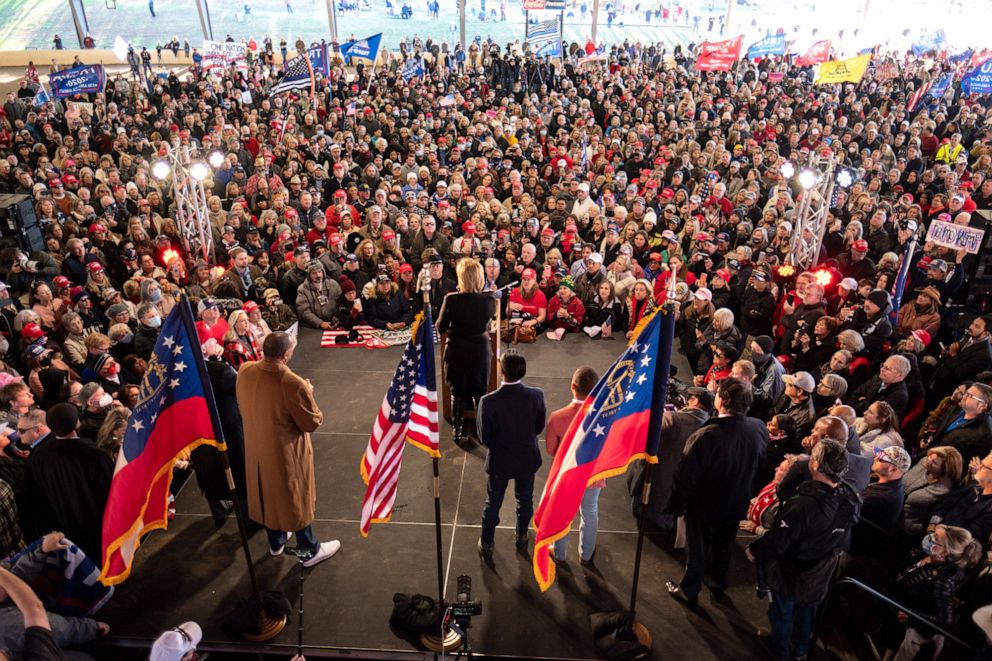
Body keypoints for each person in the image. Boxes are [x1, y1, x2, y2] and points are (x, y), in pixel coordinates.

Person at [745, 440, 861, 661]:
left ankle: (779, 650)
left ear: (815, 465)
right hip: (823, 564)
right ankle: (800, 648)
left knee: (782, 611)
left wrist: (755, 550)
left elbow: (779, 539)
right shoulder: (850, 496)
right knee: (808, 609)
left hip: (793, 568)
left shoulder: (803, 505)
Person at [235, 332, 340, 566]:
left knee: (267, 494)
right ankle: (309, 550)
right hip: (285, 453)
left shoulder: (246, 370)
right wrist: (308, 392)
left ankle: (276, 542)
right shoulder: (292, 382)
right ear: (286, 354)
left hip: (255, 447)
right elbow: (311, 422)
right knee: (295, 499)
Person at [667, 378, 768, 608]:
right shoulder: (758, 427)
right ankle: (717, 584)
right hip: (737, 501)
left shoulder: (707, 435)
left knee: (697, 549)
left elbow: (686, 476)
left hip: (704, 505)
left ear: (722, 401)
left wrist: (676, 503)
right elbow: (761, 462)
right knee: (724, 545)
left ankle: (688, 590)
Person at [477, 353, 547, 564]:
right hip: (527, 457)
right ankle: (522, 537)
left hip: (500, 460)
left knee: (493, 503)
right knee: (525, 500)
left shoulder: (488, 401)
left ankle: (487, 544)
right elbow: (538, 426)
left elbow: (483, 437)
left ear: (502, 371)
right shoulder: (536, 395)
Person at [628, 386, 713, 530]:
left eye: (692, 399)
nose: (688, 401)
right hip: (683, 485)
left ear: (697, 403)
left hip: (657, 475)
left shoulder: (673, 418)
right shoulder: (709, 427)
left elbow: (647, 431)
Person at [436, 258, 496, 443]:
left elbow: (440, 326)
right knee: (480, 391)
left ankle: (457, 431)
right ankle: (482, 430)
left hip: (458, 350)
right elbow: (487, 322)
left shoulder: (452, 299)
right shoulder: (489, 298)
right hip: (480, 350)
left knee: (458, 392)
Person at [546, 366, 600, 565]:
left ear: (572, 386)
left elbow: (551, 450)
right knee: (590, 511)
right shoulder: (603, 417)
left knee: (562, 513)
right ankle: (586, 556)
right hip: (592, 475)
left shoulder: (557, 417)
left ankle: (560, 554)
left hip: (566, 475)